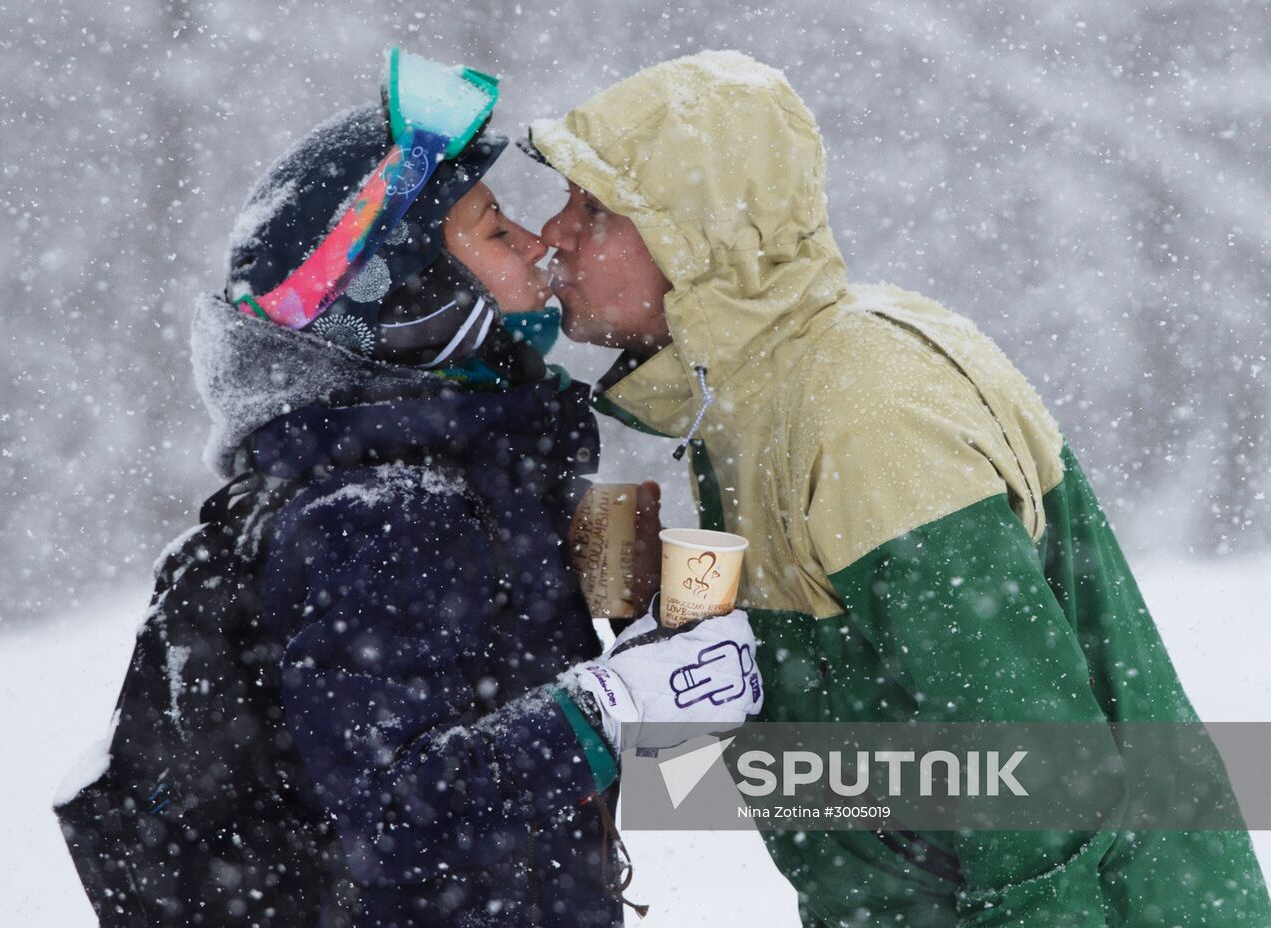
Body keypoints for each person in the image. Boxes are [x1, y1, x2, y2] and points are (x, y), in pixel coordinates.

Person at [520, 49, 1271, 926]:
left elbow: (1034, 781)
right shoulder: (750, 401)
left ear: (700, 233)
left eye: (596, 207)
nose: (554, 234)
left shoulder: (862, 413)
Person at [193, 51, 763, 927]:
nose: (539, 243)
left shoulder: (457, 478)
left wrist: (632, 630)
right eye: (496, 233)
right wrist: (619, 705)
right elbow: (391, 816)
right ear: (412, 296)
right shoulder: (386, 515)